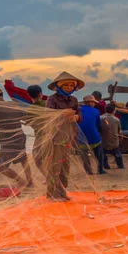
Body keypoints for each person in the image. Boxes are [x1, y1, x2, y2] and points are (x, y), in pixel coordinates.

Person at [0, 87, 33, 189]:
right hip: (20, 136)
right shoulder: (12, 104)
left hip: (8, 140)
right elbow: (24, 117)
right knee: (23, 159)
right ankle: (30, 181)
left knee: (0, 166)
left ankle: (21, 181)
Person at [46, 72, 83, 202]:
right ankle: (52, 194)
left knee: (66, 166)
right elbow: (47, 116)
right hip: (56, 137)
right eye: (66, 85)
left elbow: (79, 114)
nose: (68, 87)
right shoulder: (52, 99)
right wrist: (62, 114)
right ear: (59, 86)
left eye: (71, 85)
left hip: (69, 135)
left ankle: (63, 192)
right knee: (55, 166)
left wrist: (76, 117)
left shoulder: (73, 100)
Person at [78, 95, 105, 175]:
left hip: (81, 137)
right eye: (93, 102)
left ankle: (88, 171)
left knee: (84, 155)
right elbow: (98, 125)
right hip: (94, 137)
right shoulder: (96, 111)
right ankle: (100, 170)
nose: (94, 104)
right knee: (99, 153)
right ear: (90, 102)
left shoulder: (78, 110)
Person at [26, 85, 47, 175]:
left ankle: (48, 177)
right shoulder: (48, 104)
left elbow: (32, 124)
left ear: (29, 95)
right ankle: (51, 178)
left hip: (40, 136)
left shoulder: (30, 109)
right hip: (55, 135)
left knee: (37, 159)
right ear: (41, 94)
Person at [101, 103, 124, 169]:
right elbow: (119, 131)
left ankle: (106, 166)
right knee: (117, 154)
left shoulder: (100, 118)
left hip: (103, 142)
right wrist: (121, 137)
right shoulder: (116, 120)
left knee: (103, 154)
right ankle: (120, 165)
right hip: (114, 143)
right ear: (114, 110)